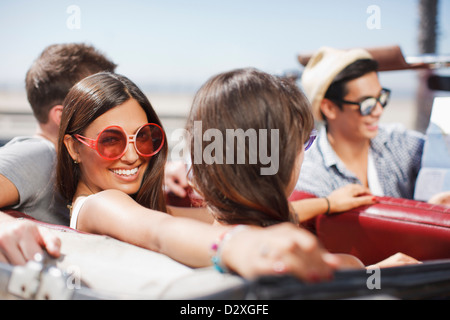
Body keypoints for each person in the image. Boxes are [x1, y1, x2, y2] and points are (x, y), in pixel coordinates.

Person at [56, 71, 347, 282]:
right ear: (73, 148)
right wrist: (240, 245)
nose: (132, 155)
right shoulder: (100, 205)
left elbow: (225, 216)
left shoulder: (137, 206)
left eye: (144, 137)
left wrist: (328, 204)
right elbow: (159, 233)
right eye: (111, 140)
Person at [186, 67, 419, 269]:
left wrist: (329, 203)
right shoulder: (340, 268)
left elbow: (265, 212)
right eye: (304, 142)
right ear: (281, 162)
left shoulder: (191, 243)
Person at [0, 43, 117, 264]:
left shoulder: (67, 161)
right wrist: (5, 226)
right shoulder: (40, 154)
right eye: (103, 104)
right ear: (63, 117)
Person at [295, 47, 428, 200]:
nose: (378, 111)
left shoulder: (397, 141)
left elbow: (439, 153)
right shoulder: (310, 173)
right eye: (367, 104)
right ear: (329, 108)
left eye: (381, 98)